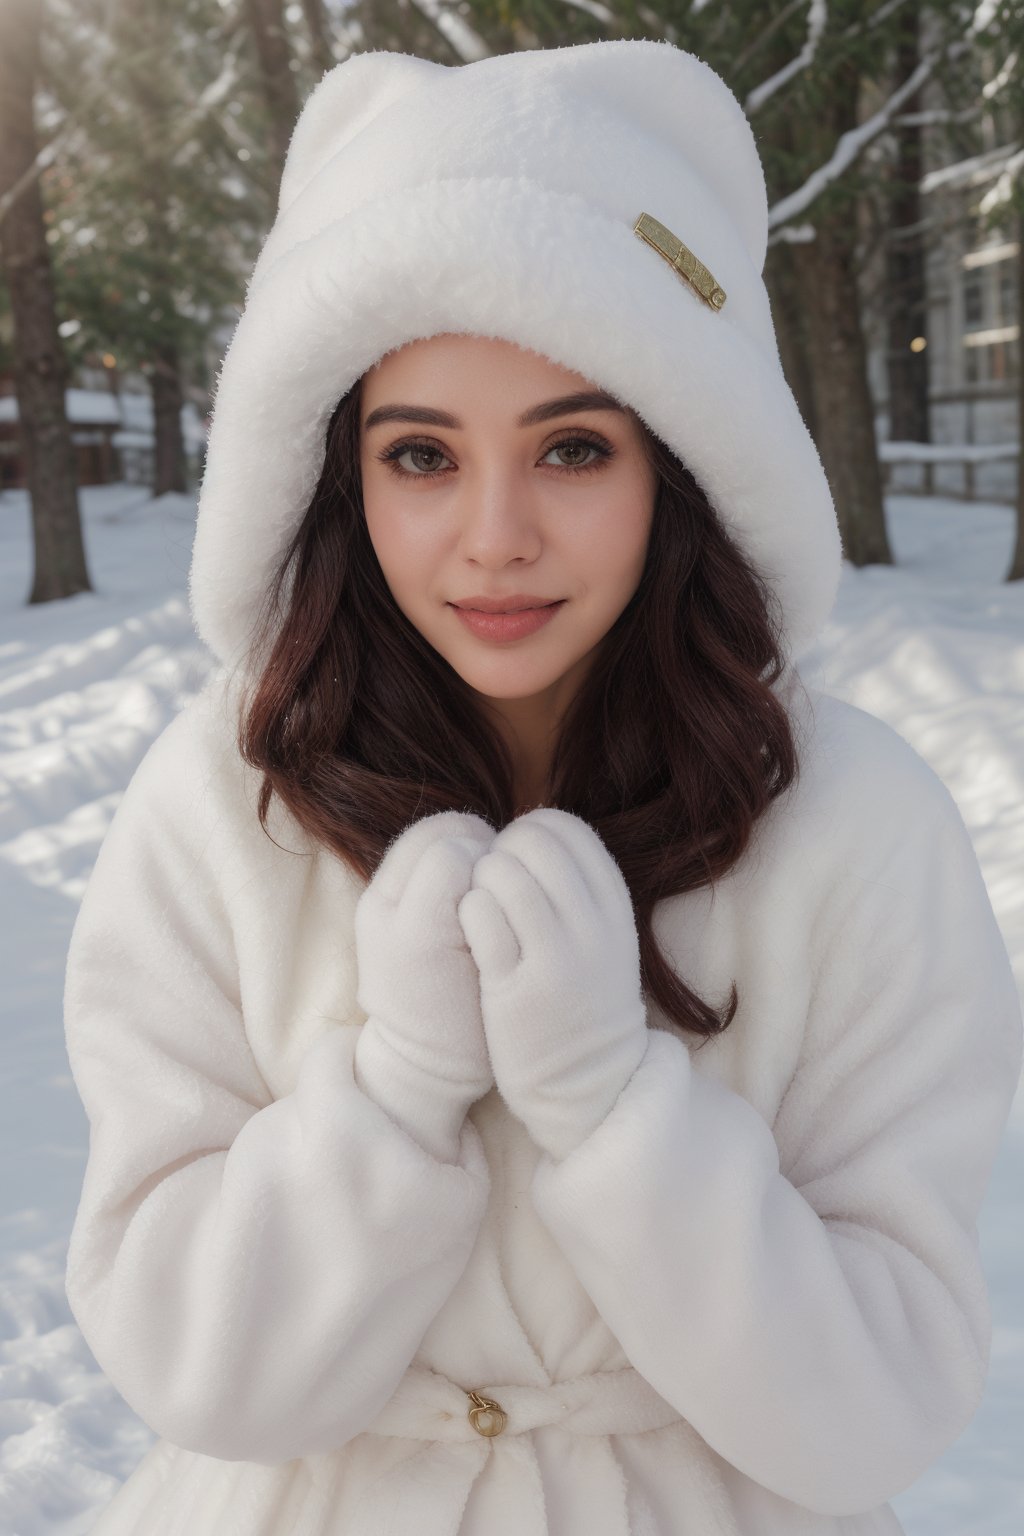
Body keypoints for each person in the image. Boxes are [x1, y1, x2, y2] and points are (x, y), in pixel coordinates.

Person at [62, 37, 1021, 1536]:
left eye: (572, 448)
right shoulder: (224, 809)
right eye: (422, 456)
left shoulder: (849, 824)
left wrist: (615, 1106)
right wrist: (390, 1100)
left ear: (677, 466)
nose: (495, 536)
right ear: (342, 479)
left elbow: (880, 1407)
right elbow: (196, 1372)